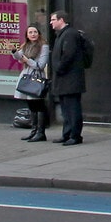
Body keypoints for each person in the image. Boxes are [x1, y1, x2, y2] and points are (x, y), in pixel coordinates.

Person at [48, 10, 90, 146]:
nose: (51, 22)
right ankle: (66, 134)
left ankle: (75, 135)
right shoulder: (61, 34)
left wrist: (59, 67)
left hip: (70, 79)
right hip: (63, 79)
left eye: (53, 19)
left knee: (72, 108)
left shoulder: (70, 34)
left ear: (61, 20)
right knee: (66, 109)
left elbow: (68, 55)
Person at [14, 24, 51, 142]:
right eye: (30, 32)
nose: (33, 34)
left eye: (35, 32)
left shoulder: (43, 46)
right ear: (27, 35)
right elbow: (19, 57)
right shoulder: (26, 45)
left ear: (39, 33)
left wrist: (26, 60)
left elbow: (40, 65)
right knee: (31, 105)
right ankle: (33, 131)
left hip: (36, 78)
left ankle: (41, 133)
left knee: (38, 105)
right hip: (26, 76)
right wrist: (14, 51)